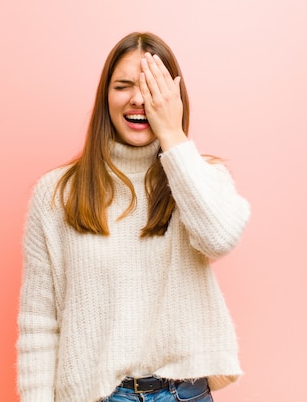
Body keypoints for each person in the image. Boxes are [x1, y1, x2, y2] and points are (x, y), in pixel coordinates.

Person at [16, 32, 251, 402]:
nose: (138, 99)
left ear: (174, 99)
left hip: (184, 393)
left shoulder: (202, 178)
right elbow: (39, 324)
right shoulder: (56, 193)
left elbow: (218, 238)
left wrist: (172, 134)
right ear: (105, 97)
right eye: (123, 86)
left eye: (151, 87)